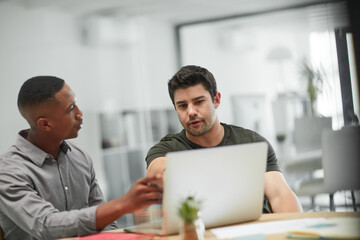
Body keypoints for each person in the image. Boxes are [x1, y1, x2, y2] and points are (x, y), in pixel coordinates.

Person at [0, 76, 162, 240]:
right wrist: (122, 205)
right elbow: (47, 226)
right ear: (45, 124)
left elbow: (106, 223)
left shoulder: (80, 156)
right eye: (71, 108)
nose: (80, 113)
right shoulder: (8, 172)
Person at [146, 65, 303, 213]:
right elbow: (158, 175)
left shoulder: (252, 143)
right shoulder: (167, 149)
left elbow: (280, 195)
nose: (191, 111)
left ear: (216, 100)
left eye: (198, 102)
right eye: (182, 106)